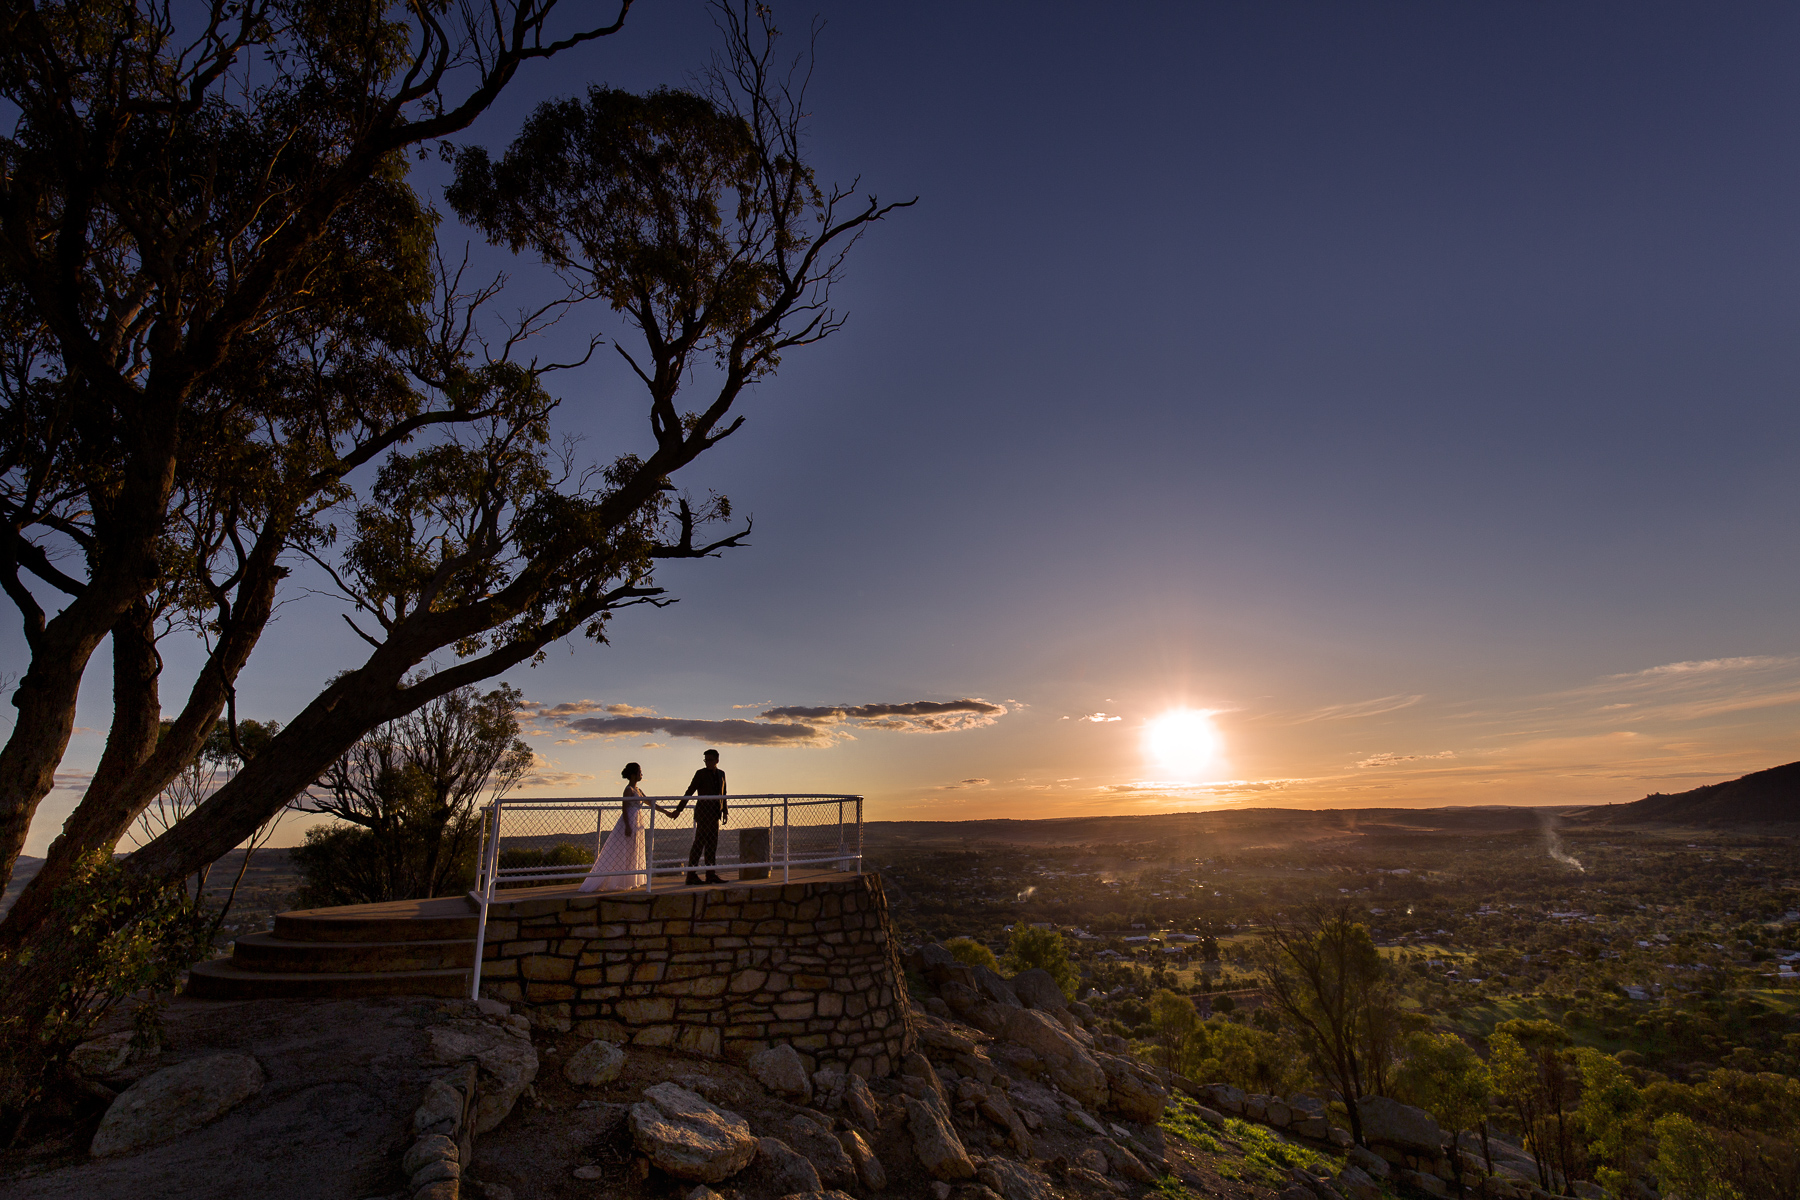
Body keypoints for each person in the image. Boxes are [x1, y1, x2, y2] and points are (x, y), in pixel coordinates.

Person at [579, 763, 667, 893]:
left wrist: (666, 812)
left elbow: (651, 803)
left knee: (633, 850)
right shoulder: (629, 790)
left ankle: (628, 880)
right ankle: (613, 880)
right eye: (639, 772)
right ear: (633, 774)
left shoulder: (639, 790)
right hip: (630, 821)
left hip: (637, 822)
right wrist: (627, 825)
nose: (641, 774)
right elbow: (624, 808)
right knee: (623, 849)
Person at [673, 748, 728, 886]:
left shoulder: (722, 774)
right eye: (705, 760)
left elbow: (724, 793)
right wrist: (679, 809)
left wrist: (725, 811)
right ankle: (691, 875)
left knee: (712, 845)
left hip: (715, 814)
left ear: (717, 760)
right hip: (703, 814)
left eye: (710, 760)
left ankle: (711, 874)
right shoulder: (701, 774)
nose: (707, 763)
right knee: (699, 844)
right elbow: (690, 791)